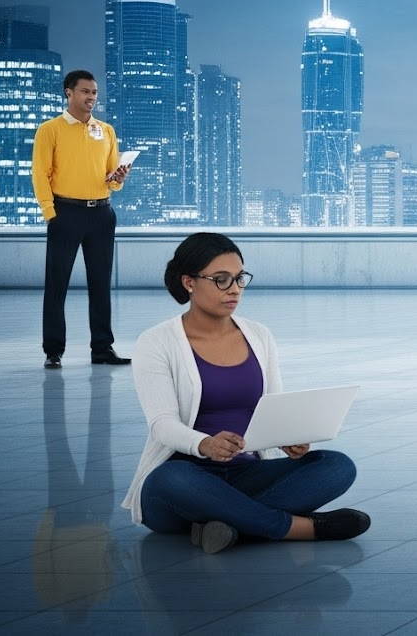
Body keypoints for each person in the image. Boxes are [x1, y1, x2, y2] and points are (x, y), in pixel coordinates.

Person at [125, 232, 369, 554]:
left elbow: (273, 406)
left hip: (246, 472)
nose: (235, 289)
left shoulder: (258, 334)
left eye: (240, 278)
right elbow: (161, 423)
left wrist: (288, 436)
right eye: (221, 280)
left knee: (337, 465)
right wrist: (205, 444)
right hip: (185, 483)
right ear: (189, 282)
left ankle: (228, 525)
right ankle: (298, 528)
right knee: (169, 477)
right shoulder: (156, 342)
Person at [34, 70, 132, 369]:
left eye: (94, 93)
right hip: (66, 212)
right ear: (69, 93)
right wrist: (51, 213)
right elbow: (40, 173)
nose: (91, 97)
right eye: (85, 92)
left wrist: (119, 178)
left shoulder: (106, 130)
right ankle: (53, 350)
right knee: (57, 284)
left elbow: (111, 179)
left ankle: (102, 348)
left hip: (102, 213)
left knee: (101, 284)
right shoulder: (50, 129)